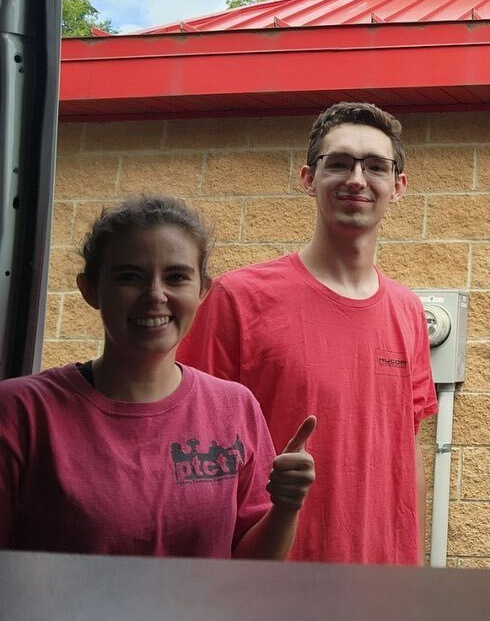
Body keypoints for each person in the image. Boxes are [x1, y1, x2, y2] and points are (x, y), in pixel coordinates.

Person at [179, 102, 437, 565]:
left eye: (375, 166)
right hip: (272, 582)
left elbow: (408, 452)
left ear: (397, 187)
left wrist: (412, 571)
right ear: (307, 178)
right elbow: (190, 445)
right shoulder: (239, 299)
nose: (357, 179)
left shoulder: (408, 310)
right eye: (338, 163)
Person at [0, 195, 315, 558]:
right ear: (90, 289)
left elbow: (250, 567)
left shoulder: (235, 407)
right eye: (130, 276)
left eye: (176, 277)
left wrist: (286, 507)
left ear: (202, 290)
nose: (155, 295)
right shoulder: (22, 413)